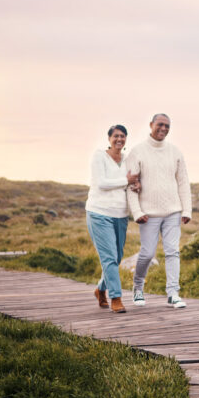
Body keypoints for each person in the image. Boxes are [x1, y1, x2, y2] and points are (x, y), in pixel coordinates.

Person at [126, 113, 192, 309]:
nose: (163, 129)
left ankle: (173, 293)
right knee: (147, 254)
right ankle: (138, 288)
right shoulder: (137, 152)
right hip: (148, 214)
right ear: (151, 125)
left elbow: (183, 182)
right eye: (160, 125)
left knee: (173, 252)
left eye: (167, 126)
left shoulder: (175, 152)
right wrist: (137, 212)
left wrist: (186, 209)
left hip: (172, 212)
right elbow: (131, 187)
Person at [85, 124, 139, 314]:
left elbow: (132, 182)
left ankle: (100, 290)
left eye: (123, 136)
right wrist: (127, 181)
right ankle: (116, 297)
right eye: (116, 136)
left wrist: (136, 185)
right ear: (109, 138)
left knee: (116, 257)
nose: (119, 139)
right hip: (99, 213)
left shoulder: (127, 160)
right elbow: (102, 183)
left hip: (120, 215)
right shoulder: (99, 156)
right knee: (108, 258)